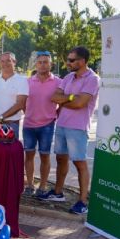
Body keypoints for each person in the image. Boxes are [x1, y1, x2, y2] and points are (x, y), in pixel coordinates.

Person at [40, 46, 100, 215]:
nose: (68, 63)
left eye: (72, 60)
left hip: (78, 128)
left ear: (82, 61)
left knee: (79, 163)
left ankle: (82, 202)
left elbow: (80, 104)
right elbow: (54, 97)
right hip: (62, 125)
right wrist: (72, 97)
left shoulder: (93, 79)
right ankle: (58, 193)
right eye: (68, 59)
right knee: (61, 159)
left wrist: (66, 99)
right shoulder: (68, 77)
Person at [23, 51, 61, 198]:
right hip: (29, 126)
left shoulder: (58, 82)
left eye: (46, 62)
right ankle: (30, 185)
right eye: (40, 62)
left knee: (45, 156)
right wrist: (28, 114)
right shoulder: (28, 82)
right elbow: (22, 102)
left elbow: (63, 101)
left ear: (51, 64)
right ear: (36, 64)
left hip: (47, 125)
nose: (43, 65)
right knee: (29, 156)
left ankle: (43, 186)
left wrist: (55, 115)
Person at [0, 52, 29, 137]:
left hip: (12, 125)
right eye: (2, 61)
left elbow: (20, 104)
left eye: (8, 61)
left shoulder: (22, 81)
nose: (5, 63)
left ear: (14, 62)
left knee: (11, 150)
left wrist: (1, 118)